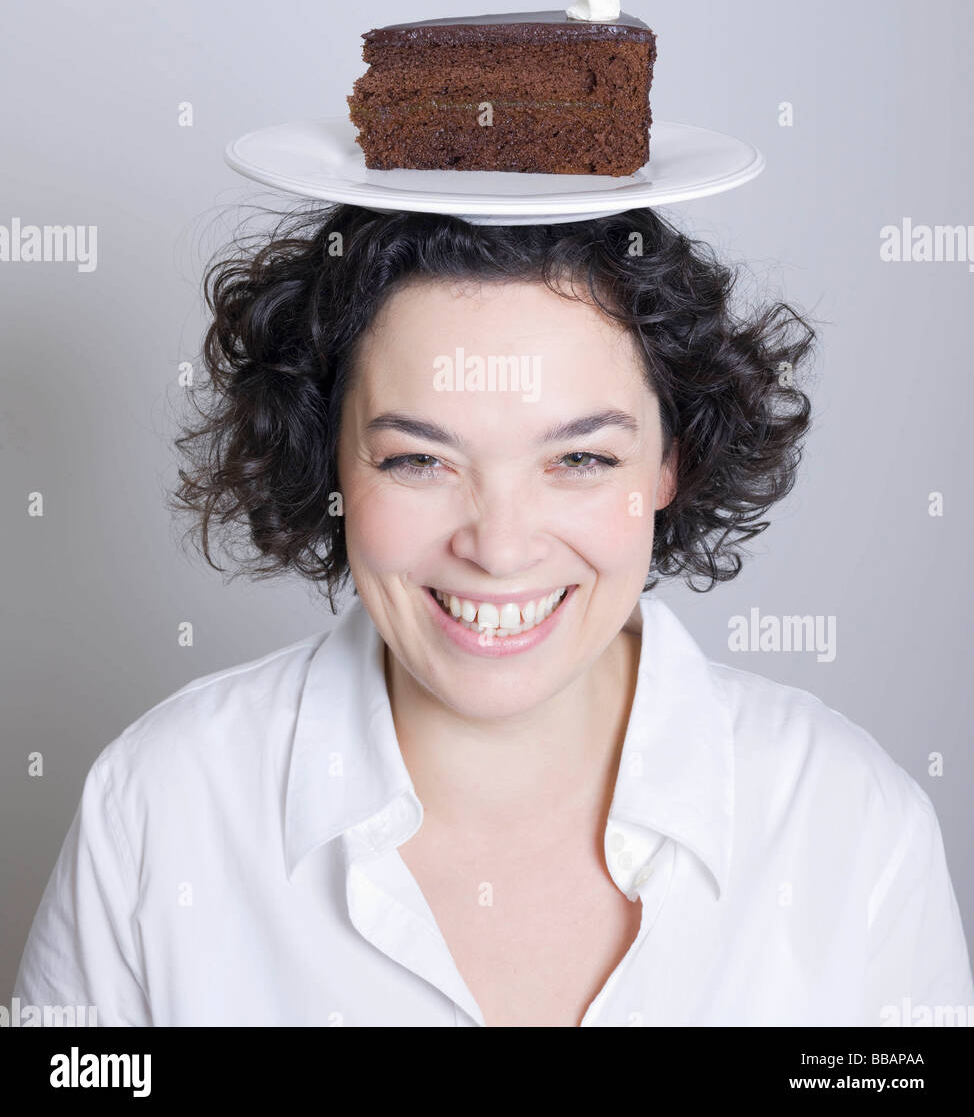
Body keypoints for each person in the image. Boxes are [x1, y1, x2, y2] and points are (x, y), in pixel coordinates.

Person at [14, 206, 974, 1026]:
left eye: (581, 458)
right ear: (330, 464)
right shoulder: (160, 809)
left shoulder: (850, 828)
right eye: (418, 460)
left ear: (669, 465)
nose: (500, 545)